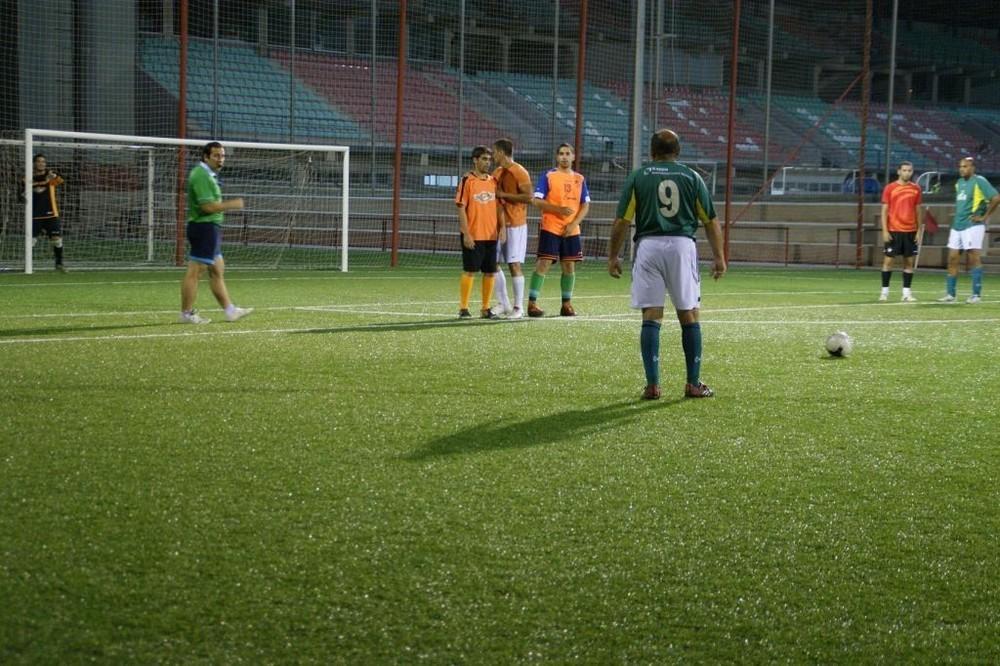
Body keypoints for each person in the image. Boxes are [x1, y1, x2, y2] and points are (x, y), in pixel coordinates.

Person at [607, 129, 726, 400]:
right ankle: (693, 384)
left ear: (651, 152)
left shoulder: (638, 177)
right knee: (689, 313)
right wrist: (719, 256)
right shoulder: (692, 177)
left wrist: (613, 256)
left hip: (648, 246)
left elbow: (622, 222)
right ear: (678, 151)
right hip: (682, 246)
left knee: (651, 313)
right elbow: (710, 221)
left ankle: (652, 385)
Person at [179, 142, 253, 324]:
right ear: (206, 156)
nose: (221, 159)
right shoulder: (201, 175)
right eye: (216, 155)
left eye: (223, 155)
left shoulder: (208, 175)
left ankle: (230, 310)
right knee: (195, 272)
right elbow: (207, 207)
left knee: (217, 270)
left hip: (210, 229)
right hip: (204, 228)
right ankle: (186, 314)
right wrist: (233, 204)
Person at [527, 143, 591, 317]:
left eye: (567, 153)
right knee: (544, 263)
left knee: (569, 266)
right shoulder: (549, 176)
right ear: (557, 157)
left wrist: (573, 224)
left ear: (573, 157)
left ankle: (566, 305)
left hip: (572, 229)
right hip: (551, 227)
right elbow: (536, 201)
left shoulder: (580, 179)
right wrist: (559, 210)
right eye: (561, 153)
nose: (564, 156)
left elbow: (585, 205)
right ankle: (532, 303)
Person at [938, 157, 1000, 304]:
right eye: (960, 166)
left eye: (965, 166)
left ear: (973, 168)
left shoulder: (979, 181)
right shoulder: (959, 183)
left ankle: (976, 295)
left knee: (973, 257)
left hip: (972, 225)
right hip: (957, 226)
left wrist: (984, 216)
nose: (962, 169)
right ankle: (950, 295)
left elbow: (996, 198)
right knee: (952, 258)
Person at [456, 145, 505, 319]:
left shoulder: (493, 181)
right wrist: (466, 233)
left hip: (491, 235)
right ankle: (463, 308)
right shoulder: (467, 181)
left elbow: (499, 207)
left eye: (489, 159)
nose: (487, 162)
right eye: (484, 159)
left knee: (490, 271)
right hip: (474, 235)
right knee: (470, 270)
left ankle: (485, 308)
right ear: (475, 160)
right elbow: (461, 208)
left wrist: (502, 228)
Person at [492, 138, 533, 319]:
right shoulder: (497, 172)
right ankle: (504, 303)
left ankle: (518, 307)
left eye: (494, 152)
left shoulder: (519, 172)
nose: (492, 155)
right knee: (492, 264)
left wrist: (504, 195)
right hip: (498, 224)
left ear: (501, 152)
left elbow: (528, 197)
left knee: (513, 264)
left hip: (515, 224)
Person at [879, 161, 923, 302]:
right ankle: (884, 292)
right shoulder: (890, 188)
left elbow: (918, 210)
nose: (907, 173)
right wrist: (885, 231)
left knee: (909, 263)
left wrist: (918, 230)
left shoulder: (916, 189)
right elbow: (884, 211)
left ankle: (906, 293)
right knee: (888, 262)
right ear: (899, 171)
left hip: (910, 231)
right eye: (904, 170)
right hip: (894, 230)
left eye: (909, 170)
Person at [21, 154, 67, 272]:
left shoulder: (50, 174)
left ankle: (59, 263)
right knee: (31, 241)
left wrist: (54, 176)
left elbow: (61, 180)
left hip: (51, 213)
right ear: (34, 163)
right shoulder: (27, 176)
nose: (42, 164)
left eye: (44, 162)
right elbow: (25, 187)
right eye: (39, 161)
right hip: (34, 214)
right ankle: (27, 266)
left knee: (56, 239)